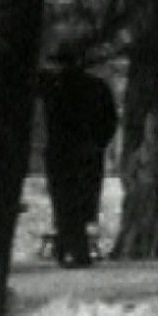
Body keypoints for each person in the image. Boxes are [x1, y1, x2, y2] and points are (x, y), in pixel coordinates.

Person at [38, 46, 118, 267]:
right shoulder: (96, 87)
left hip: (61, 152)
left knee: (64, 203)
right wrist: (98, 143)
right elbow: (110, 121)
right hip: (87, 153)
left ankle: (72, 251)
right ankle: (69, 249)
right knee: (81, 203)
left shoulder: (54, 87)